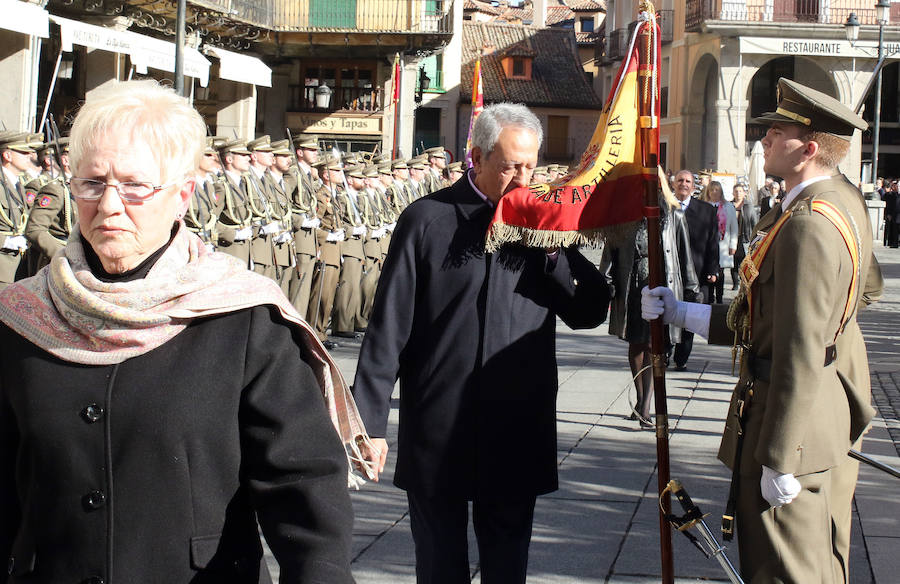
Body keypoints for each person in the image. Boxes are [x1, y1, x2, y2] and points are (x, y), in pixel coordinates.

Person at [0, 80, 361, 582]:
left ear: (183, 194)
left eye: (134, 185)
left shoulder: (242, 316)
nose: (108, 205)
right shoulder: (19, 318)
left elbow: (303, 484)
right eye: (91, 183)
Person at [351, 103, 609, 583]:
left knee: (507, 563)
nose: (522, 178)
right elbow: (388, 327)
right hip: (439, 421)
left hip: (516, 421)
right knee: (439, 563)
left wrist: (553, 250)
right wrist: (369, 422)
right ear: (477, 157)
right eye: (510, 165)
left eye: (530, 165)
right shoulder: (426, 219)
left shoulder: (541, 222)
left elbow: (589, 310)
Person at [642, 78, 884, 583]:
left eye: (777, 132)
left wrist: (781, 455)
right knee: (823, 561)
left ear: (809, 148)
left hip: (791, 423)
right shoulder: (843, 198)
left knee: (783, 569)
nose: (764, 140)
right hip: (825, 411)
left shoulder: (807, 224)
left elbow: (800, 347)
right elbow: (856, 294)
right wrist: (683, 313)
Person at [600, 168, 699, 428]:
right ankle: (642, 398)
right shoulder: (623, 215)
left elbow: (683, 253)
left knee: (656, 345)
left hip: (661, 284)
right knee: (636, 343)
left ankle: (645, 406)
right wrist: (606, 282)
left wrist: (691, 287)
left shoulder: (673, 214)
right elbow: (610, 252)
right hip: (632, 285)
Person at [671, 169, 719, 370]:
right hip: (670, 271)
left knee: (689, 314)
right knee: (667, 312)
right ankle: (664, 350)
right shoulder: (665, 207)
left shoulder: (706, 210)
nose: (683, 184)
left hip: (696, 273)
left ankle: (681, 356)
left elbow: (713, 243)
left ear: (693, 186)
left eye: (687, 181)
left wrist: (713, 269)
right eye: (680, 180)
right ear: (674, 184)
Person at [700, 180, 738, 303]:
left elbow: (734, 227)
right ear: (708, 192)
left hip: (723, 244)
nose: (714, 192)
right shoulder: (704, 206)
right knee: (709, 271)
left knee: (720, 272)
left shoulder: (728, 207)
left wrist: (733, 245)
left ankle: (720, 298)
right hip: (707, 245)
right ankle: (710, 297)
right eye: (712, 190)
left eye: (717, 190)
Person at [730, 184, 757, 290]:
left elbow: (754, 222)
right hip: (732, 238)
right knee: (733, 262)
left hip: (745, 238)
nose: (738, 193)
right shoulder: (729, 205)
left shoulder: (748, 206)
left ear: (744, 193)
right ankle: (735, 283)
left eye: (740, 191)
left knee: (743, 262)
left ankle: (743, 283)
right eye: (736, 191)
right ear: (733, 193)